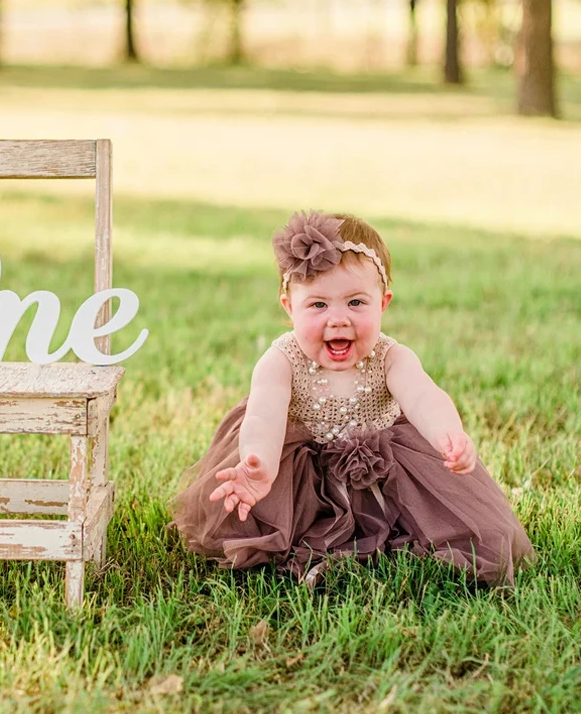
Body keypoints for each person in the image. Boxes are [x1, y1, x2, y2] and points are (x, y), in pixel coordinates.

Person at [166, 210, 536, 588]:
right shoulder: (281, 360)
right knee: (273, 528)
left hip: (381, 472)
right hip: (300, 476)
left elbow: (424, 395)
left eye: (356, 303)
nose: (338, 319)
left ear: (383, 303)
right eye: (318, 305)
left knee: (440, 526)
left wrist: (447, 434)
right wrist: (258, 461)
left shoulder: (392, 357)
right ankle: (316, 553)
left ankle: (385, 540)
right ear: (288, 306)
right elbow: (264, 412)